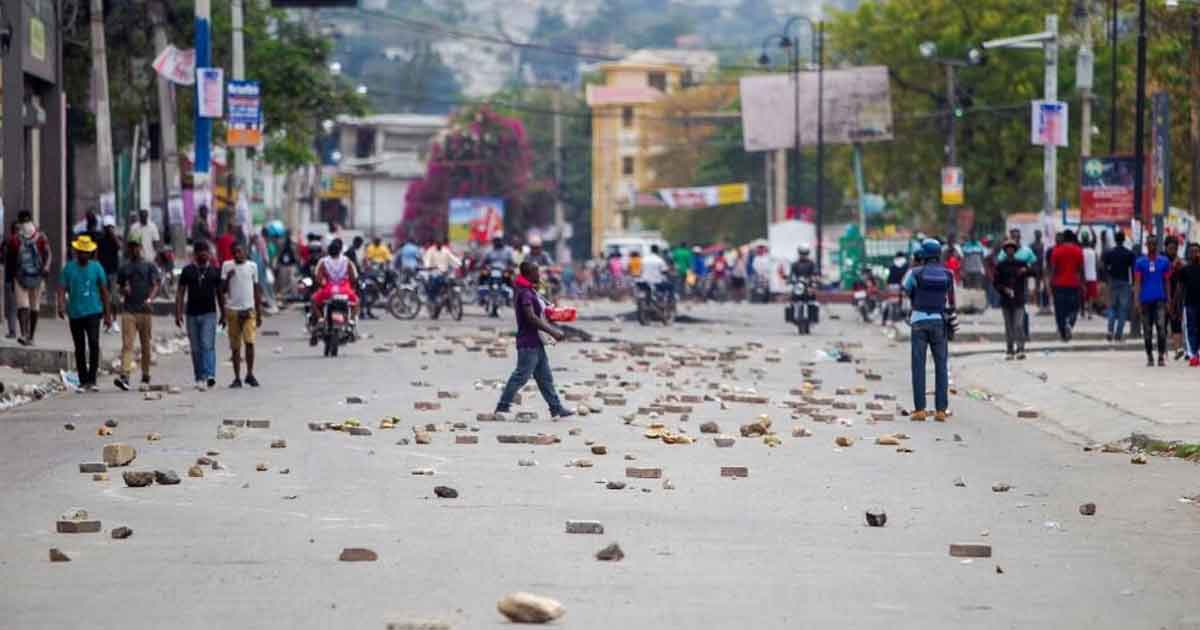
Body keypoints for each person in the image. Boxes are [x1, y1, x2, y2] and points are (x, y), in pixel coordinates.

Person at [493, 260, 573, 418]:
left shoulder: (529, 290)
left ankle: (556, 408)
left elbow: (540, 312)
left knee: (545, 378)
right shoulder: (525, 293)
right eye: (537, 272)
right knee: (520, 376)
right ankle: (502, 407)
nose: (539, 275)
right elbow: (531, 317)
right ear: (529, 274)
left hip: (535, 342)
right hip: (528, 342)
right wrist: (553, 331)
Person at [903, 239, 956, 422]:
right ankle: (941, 410)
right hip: (939, 322)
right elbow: (951, 300)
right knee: (941, 366)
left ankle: (920, 410)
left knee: (919, 366)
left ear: (922, 255)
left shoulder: (915, 273)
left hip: (918, 321)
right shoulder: (948, 274)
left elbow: (906, 290)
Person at [57, 235, 111, 391]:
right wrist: (60, 305)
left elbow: (104, 291)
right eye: (81, 252)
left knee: (94, 344)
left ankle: (92, 379)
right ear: (76, 252)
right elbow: (61, 288)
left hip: (94, 312)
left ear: (90, 253)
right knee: (79, 347)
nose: (83, 255)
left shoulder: (97, 268)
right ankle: (83, 380)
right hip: (75, 313)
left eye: (86, 252)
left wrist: (107, 315)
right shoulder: (69, 268)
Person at [112, 240, 161, 391]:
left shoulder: (149, 266)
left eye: (136, 246)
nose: (134, 249)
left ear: (140, 247)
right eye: (131, 246)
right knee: (127, 345)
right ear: (128, 248)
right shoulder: (124, 267)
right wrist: (123, 290)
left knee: (145, 345)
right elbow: (119, 287)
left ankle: (145, 374)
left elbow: (156, 285)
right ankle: (125, 375)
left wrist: (150, 299)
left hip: (145, 311)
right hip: (129, 311)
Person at [176, 240, 224, 390]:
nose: (204, 254)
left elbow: (220, 293)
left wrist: (224, 313)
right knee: (195, 348)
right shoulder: (188, 271)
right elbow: (180, 292)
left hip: (209, 313)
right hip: (191, 314)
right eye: (201, 251)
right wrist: (178, 313)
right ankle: (199, 377)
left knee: (207, 344)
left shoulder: (214, 271)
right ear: (195, 254)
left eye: (206, 251)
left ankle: (210, 375)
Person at [222, 242, 263, 388]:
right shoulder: (227, 266)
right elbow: (222, 290)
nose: (237, 255)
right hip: (233, 311)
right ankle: (237, 377)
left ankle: (250, 374)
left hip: (249, 310)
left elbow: (256, 290)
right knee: (235, 347)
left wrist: (259, 313)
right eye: (234, 253)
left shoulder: (252, 266)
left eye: (239, 252)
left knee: (250, 342)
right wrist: (227, 278)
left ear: (245, 252)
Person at [12, 211, 52, 345]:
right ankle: (27, 335)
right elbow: (48, 254)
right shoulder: (37, 237)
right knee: (27, 306)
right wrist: (46, 267)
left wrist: (46, 266)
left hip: (28, 276)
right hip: (29, 276)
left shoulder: (18, 238)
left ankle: (28, 335)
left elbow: (48, 253)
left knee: (29, 307)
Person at [310, 239, 360, 340]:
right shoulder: (347, 261)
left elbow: (318, 278)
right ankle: (351, 321)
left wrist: (322, 284)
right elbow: (354, 278)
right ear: (340, 251)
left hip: (328, 291)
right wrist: (352, 287)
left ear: (328, 251)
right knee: (357, 302)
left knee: (313, 300)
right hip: (345, 290)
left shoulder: (324, 261)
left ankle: (320, 319)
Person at [1134, 237, 1170, 367]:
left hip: (1160, 300)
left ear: (1157, 245)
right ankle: (1149, 356)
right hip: (1145, 301)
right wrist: (1136, 300)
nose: (1152, 246)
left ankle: (1160, 356)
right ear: (1146, 245)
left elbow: (1166, 282)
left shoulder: (1164, 261)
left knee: (1161, 329)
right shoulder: (1140, 262)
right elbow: (1137, 282)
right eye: (1149, 244)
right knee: (1147, 331)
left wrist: (1169, 299)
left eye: (1154, 244)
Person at [994, 240, 1031, 360]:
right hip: (1006, 300)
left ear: (1015, 250)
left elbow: (1034, 272)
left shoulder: (1021, 263)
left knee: (1018, 325)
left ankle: (1021, 348)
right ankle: (1010, 349)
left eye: (1012, 248)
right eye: (1007, 248)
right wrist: (1004, 289)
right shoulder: (1001, 265)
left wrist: (1026, 270)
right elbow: (996, 283)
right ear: (1005, 251)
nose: (1010, 250)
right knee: (1009, 326)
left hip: (1019, 300)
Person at [1048, 230, 1085, 342]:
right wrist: (1082, 283)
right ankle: (1070, 322)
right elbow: (1080, 269)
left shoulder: (1056, 251)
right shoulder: (1079, 251)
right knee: (1074, 307)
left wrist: (1051, 282)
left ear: (1063, 238)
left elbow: (1053, 269)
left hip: (1059, 284)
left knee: (1060, 310)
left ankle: (1063, 334)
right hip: (1074, 284)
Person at [1102, 230, 1136, 342]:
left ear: (1115, 240)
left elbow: (1104, 268)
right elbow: (1133, 270)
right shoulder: (1129, 253)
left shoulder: (1109, 253)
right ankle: (1118, 334)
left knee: (1112, 307)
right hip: (1125, 283)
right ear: (1124, 240)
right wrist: (1134, 284)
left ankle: (1110, 331)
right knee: (1123, 310)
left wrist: (1108, 278)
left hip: (1113, 282)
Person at [97, 216, 122, 332]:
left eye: (110, 228)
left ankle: (115, 320)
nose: (108, 230)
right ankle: (107, 320)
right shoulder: (100, 239)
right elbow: (96, 255)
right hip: (103, 272)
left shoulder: (116, 240)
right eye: (106, 228)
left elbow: (119, 246)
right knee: (104, 298)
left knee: (114, 298)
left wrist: (113, 235)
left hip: (113, 272)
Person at [1164, 236, 1185, 360]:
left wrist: (1180, 266)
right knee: (1163, 325)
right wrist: (1173, 265)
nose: (1173, 251)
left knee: (1176, 324)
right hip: (1163, 296)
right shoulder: (1162, 260)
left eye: (1175, 248)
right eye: (1171, 248)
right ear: (1166, 247)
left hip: (1177, 296)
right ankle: (1164, 351)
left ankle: (1178, 350)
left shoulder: (1180, 262)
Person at [1, 222, 17, 338]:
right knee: (25, 307)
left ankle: (13, 331)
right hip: (28, 278)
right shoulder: (28, 240)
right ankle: (27, 332)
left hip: (11, 278)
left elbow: (1, 256)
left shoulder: (8, 241)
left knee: (12, 307)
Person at [1082, 234, 1099, 319]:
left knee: (1083, 295)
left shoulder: (1081, 251)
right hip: (1092, 276)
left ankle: (1083, 311)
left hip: (1083, 277)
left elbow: (1080, 266)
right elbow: (1097, 264)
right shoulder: (1093, 252)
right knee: (1091, 297)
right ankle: (1090, 313)